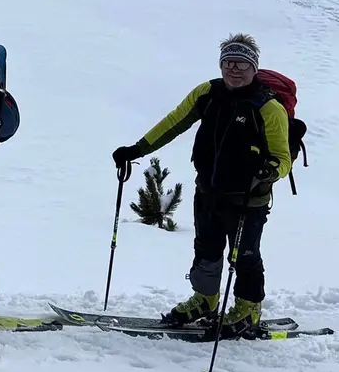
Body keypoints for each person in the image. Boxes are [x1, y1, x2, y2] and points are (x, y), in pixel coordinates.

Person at [112, 34, 292, 337]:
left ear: (254, 68)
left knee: (244, 255)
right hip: (207, 191)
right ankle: (206, 299)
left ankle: (249, 308)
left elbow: (283, 157)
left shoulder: (268, 107)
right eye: (228, 63)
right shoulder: (208, 93)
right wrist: (137, 150)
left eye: (242, 64)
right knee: (206, 250)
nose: (234, 70)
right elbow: (174, 122)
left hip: (248, 198)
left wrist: (268, 170)